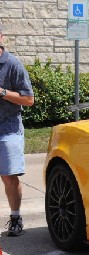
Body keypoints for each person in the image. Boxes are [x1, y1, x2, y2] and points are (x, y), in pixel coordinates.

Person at [0, 22, 35, 236]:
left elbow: (29, 99)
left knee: (8, 176)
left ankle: (15, 217)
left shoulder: (13, 64)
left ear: (0, 37)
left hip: (8, 129)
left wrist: (2, 92)